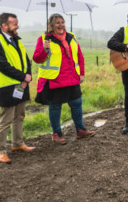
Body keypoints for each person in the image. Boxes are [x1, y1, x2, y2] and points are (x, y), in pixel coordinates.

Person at [33, 13, 95, 145]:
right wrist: (44, 49)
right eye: (57, 22)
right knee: (55, 107)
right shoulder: (44, 39)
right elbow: (37, 59)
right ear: (51, 25)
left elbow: (79, 56)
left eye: (62, 22)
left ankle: (80, 130)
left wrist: (81, 73)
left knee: (76, 103)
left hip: (72, 77)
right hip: (55, 79)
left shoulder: (71, 37)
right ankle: (56, 133)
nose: (61, 25)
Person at [0, 13, 35, 164]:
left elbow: (26, 61)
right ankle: (0, 151)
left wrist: (27, 77)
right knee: (6, 119)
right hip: (7, 86)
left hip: (21, 84)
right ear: (4, 25)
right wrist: (23, 77)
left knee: (19, 115)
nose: (17, 26)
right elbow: (2, 65)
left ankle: (18, 144)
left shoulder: (16, 40)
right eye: (14, 24)